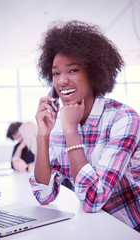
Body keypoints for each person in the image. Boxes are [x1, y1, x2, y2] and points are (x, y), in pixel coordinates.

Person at [29, 20, 140, 232]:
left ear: (94, 72)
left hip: (130, 229)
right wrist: (43, 135)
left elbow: (92, 200)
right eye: (55, 73)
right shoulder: (60, 123)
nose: (61, 82)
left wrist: (71, 131)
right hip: (92, 228)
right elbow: (44, 195)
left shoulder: (123, 119)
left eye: (72, 71)